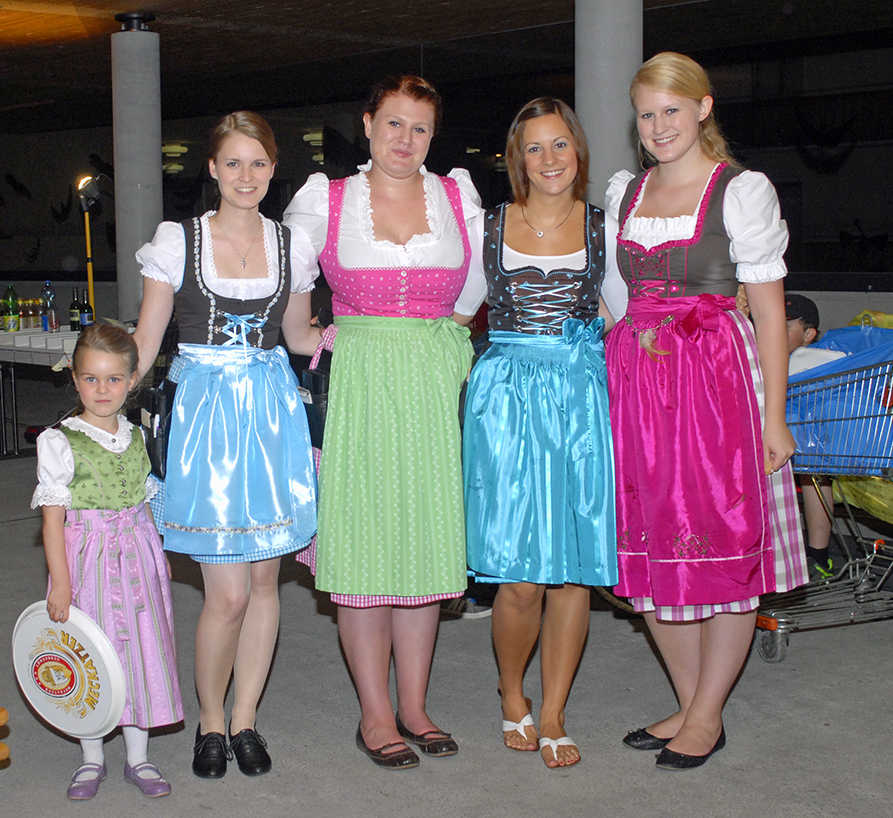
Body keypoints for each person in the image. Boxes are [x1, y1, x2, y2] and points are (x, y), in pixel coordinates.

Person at [604, 52, 807, 771]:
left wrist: (775, 417)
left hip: (714, 384)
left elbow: (772, 314)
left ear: (703, 108)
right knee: (648, 546)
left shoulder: (740, 192)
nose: (659, 126)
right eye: (646, 113)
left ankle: (706, 712)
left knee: (722, 546)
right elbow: (617, 299)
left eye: (671, 110)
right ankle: (694, 706)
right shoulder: (626, 193)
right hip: (637, 386)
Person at [283, 75, 480, 770]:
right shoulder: (328, 198)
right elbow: (294, 297)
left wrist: (442, 347)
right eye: (394, 123)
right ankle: (374, 712)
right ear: (367, 125)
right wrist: (322, 340)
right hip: (360, 382)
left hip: (431, 382)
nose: (406, 139)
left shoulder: (456, 196)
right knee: (365, 546)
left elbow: (475, 291)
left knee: (423, 545)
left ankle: (415, 706)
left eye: (420, 127)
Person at [132, 111, 320, 779]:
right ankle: (210, 720)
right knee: (228, 593)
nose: (246, 175)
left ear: (273, 170)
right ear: (212, 169)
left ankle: (245, 719)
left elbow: (300, 337)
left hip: (270, 416)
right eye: (233, 162)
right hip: (205, 421)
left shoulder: (292, 245)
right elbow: (146, 342)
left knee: (267, 582)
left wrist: (373, 337)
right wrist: (99, 401)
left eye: (258, 163)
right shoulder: (177, 240)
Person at [453, 97, 627, 769]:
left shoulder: (605, 228)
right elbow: (457, 314)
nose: (549, 159)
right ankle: (510, 691)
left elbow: (627, 317)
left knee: (573, 574)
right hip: (505, 403)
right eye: (535, 147)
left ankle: (553, 710)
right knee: (520, 576)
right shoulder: (489, 227)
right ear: (516, 159)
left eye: (560, 144)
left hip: (579, 401)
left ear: (577, 151)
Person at [31, 324, 183, 800]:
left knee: (140, 648)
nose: (102, 389)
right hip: (88, 559)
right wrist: (61, 583)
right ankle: (91, 757)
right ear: (75, 380)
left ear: (132, 380)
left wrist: (160, 553)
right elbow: (52, 522)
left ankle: (139, 757)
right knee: (92, 655)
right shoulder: (60, 441)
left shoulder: (137, 435)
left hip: (137, 554)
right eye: (91, 379)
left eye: (114, 379)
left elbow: (144, 499)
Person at [783, 293, 838, 581]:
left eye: (785, 326)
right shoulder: (760, 358)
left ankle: (818, 554)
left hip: (807, 444)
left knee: (814, 470)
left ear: (808, 335)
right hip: (778, 443)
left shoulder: (814, 361)